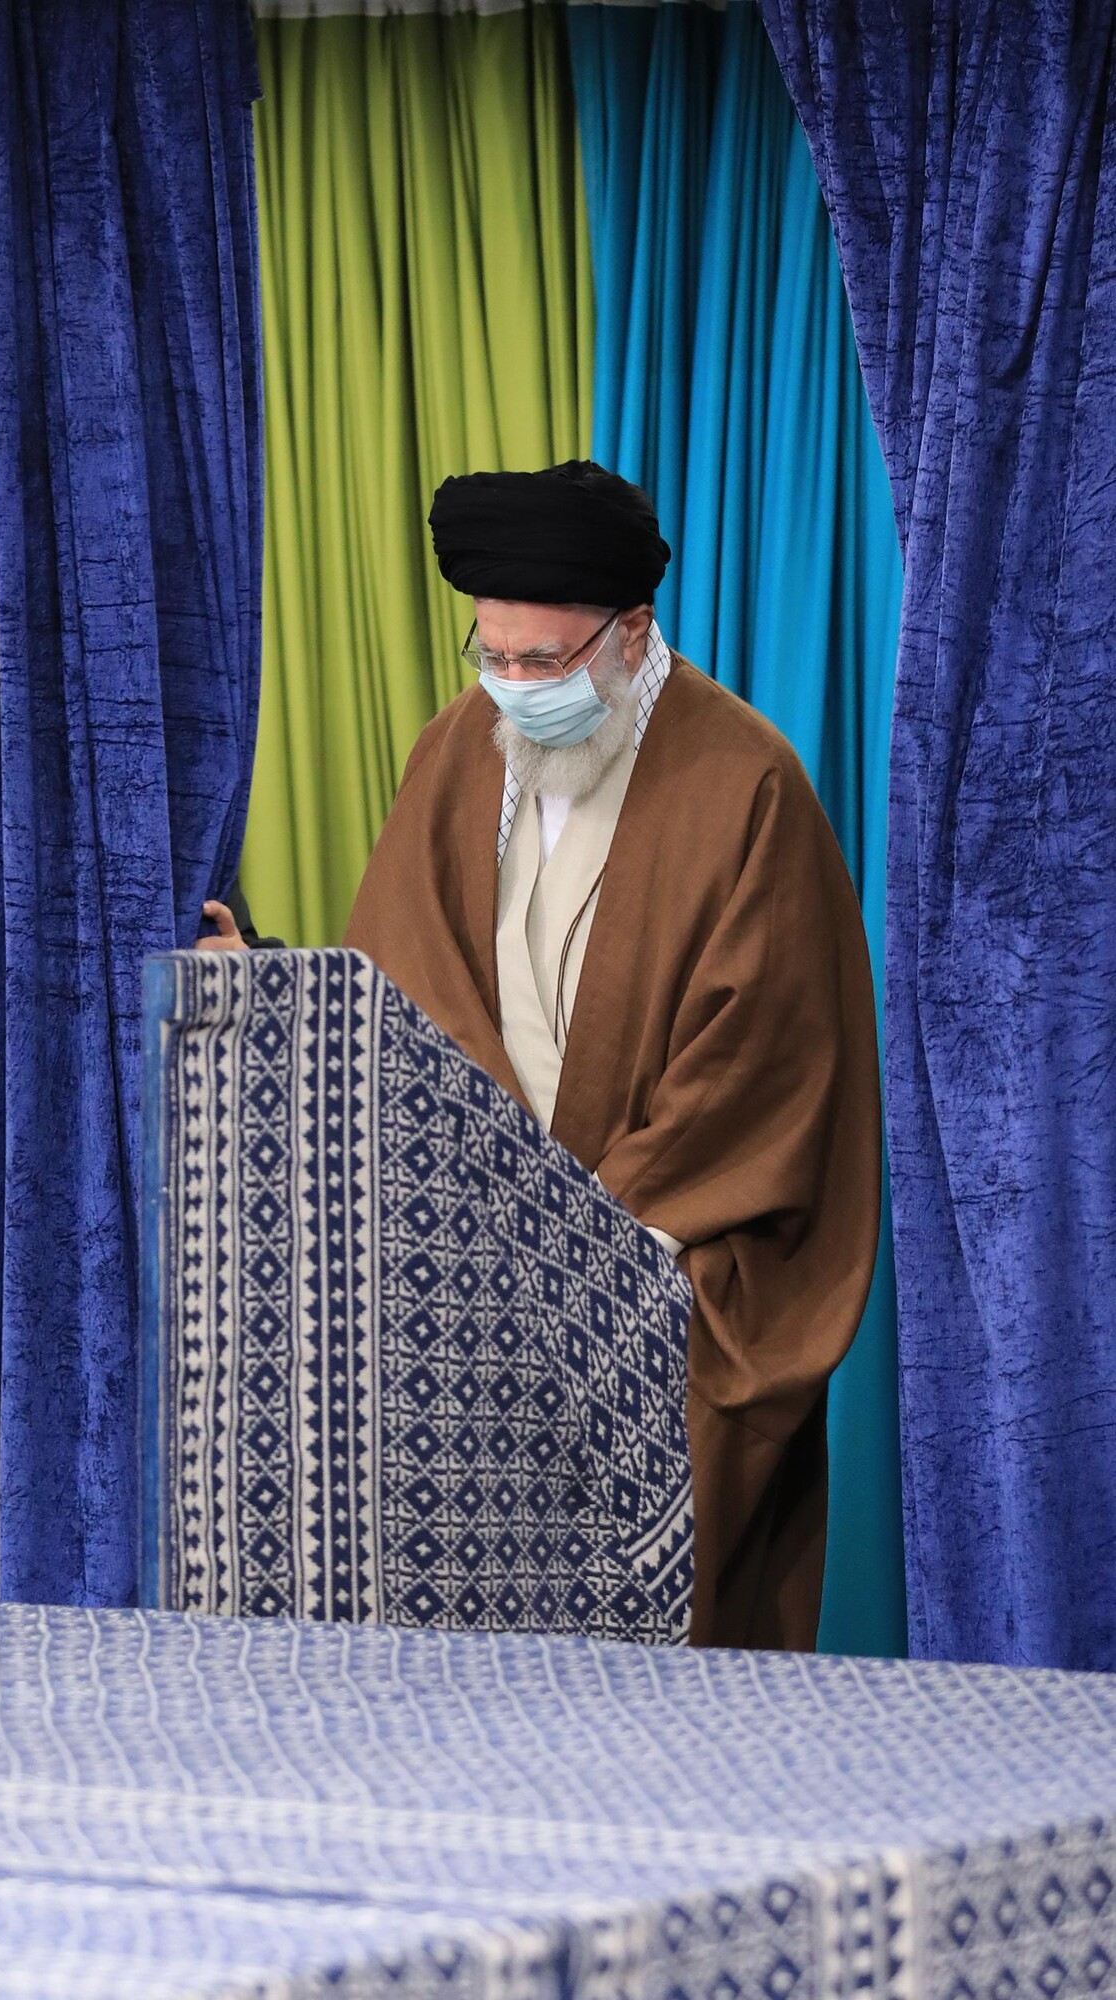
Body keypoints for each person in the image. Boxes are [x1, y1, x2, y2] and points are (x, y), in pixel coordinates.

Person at [344, 459, 882, 1649]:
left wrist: (573, 1251)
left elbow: (759, 1080)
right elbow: (397, 981)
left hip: (660, 1274)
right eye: (491, 655)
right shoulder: (455, 749)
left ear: (630, 634)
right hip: (476, 1280)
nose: (513, 686)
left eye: (543, 661)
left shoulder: (746, 782)